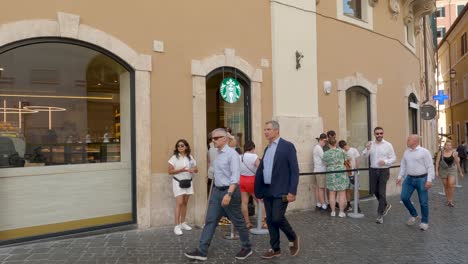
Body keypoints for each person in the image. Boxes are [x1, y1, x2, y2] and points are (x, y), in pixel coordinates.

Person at [185, 128, 252, 261]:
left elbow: (235, 177)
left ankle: (247, 247)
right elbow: (216, 170)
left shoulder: (232, 154)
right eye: (212, 138)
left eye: (216, 138)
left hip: (230, 191)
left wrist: (229, 194)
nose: (213, 140)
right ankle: (202, 251)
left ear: (224, 139)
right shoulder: (216, 153)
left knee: (238, 221)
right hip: (217, 191)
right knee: (210, 220)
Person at [255, 120, 300, 259]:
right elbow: (263, 170)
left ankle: (293, 237)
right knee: (270, 220)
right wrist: (259, 190)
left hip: (282, 190)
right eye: (265, 129)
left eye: (268, 129)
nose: (265, 132)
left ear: (276, 130)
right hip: (267, 190)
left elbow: (294, 170)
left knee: (277, 217)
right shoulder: (267, 148)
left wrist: (292, 191)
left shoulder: (287, 146)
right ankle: (275, 249)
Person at [397, 135, 435, 231]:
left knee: (423, 202)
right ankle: (414, 214)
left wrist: (429, 180)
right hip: (409, 179)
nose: (407, 141)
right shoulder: (406, 152)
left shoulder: (424, 152)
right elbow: (403, 165)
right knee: (404, 198)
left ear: (415, 141)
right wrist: (399, 177)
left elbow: (430, 166)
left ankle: (424, 222)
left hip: (422, 179)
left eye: (409, 139)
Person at [361, 126, 396, 224]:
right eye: (377, 133)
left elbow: (393, 158)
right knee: (374, 190)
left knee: (381, 192)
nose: (379, 135)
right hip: (373, 170)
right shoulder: (370, 144)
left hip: (384, 171)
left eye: (381, 133)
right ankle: (385, 204)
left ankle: (380, 215)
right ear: (374, 134)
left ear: (383, 133)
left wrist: (385, 162)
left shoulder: (388, 145)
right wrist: (367, 148)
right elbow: (364, 156)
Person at [168, 139, 198, 236]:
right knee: (179, 203)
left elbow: (196, 169)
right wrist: (180, 170)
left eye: (182, 145)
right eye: (178, 146)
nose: (180, 147)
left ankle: (183, 223)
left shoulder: (190, 157)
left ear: (186, 146)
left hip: (188, 182)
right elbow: (169, 171)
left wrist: (193, 170)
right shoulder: (174, 158)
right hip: (178, 182)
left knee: (185, 203)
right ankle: (176, 226)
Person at [239, 141, 263, 229]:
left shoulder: (240, 157)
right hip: (252, 180)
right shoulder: (254, 156)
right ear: (252, 148)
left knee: (244, 202)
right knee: (260, 202)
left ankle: (247, 222)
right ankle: (263, 222)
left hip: (242, 180)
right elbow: (260, 168)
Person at [323, 138, 349, 217]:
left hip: (331, 172)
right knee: (342, 193)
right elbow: (348, 159)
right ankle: (341, 212)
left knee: (332, 193)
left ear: (328, 144)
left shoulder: (326, 153)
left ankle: (333, 211)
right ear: (336, 143)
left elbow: (324, 162)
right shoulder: (342, 151)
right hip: (341, 172)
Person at [435, 140, 464, 207]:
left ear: (451, 146)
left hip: (452, 169)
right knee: (446, 185)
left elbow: (457, 163)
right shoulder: (440, 152)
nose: (448, 146)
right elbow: (437, 162)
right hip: (443, 170)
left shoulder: (454, 153)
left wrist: (460, 172)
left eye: (450, 145)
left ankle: (450, 200)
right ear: (445, 146)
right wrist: (436, 171)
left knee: (451, 184)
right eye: (447, 145)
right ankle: (448, 199)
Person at [338, 140, 361, 213]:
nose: (344, 149)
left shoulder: (353, 150)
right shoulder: (343, 152)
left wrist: (356, 170)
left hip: (354, 173)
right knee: (347, 189)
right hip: (346, 173)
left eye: (343, 148)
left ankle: (358, 206)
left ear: (344, 146)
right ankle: (349, 205)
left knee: (356, 190)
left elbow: (357, 160)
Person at [313, 133, 328, 211]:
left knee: (318, 188)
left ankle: (318, 203)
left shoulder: (318, 147)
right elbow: (324, 158)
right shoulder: (318, 148)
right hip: (320, 170)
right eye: (325, 141)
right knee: (321, 188)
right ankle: (323, 204)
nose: (325, 143)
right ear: (321, 140)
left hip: (317, 170)